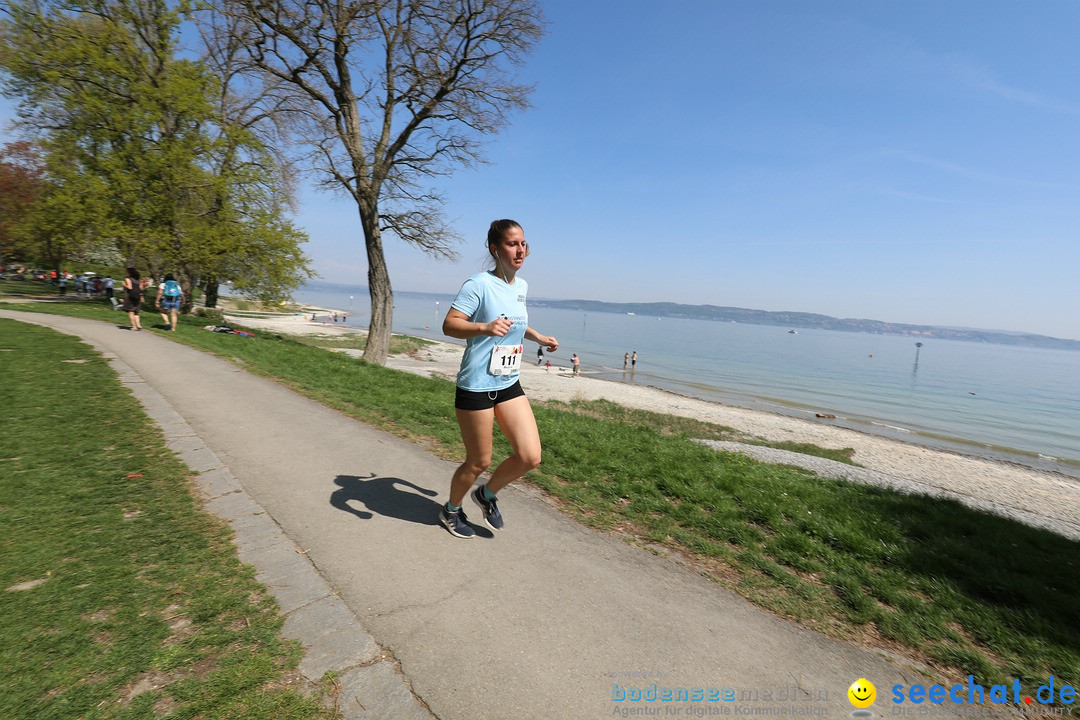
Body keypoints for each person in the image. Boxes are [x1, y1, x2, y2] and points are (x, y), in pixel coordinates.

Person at [439, 219, 558, 538]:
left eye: (523, 244)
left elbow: (514, 323)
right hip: (476, 386)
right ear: (495, 248)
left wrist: (537, 336)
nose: (519, 250)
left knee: (530, 456)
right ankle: (451, 510)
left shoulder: (521, 287)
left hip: (508, 384)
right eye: (511, 243)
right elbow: (450, 325)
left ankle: (486, 495)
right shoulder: (477, 284)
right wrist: (484, 327)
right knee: (478, 462)